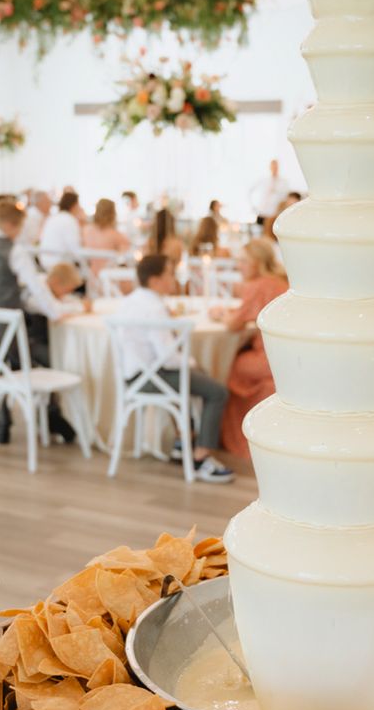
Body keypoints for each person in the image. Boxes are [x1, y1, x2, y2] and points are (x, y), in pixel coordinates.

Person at [0, 201, 77, 443]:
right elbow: (37, 288)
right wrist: (57, 313)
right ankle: (51, 415)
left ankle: (2, 414)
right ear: (10, 225)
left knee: (3, 366)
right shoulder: (13, 250)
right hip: (14, 335)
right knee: (52, 358)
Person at [120, 254, 234, 483]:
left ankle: (184, 441)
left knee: (194, 376)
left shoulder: (129, 301)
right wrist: (192, 363)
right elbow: (168, 359)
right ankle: (201, 457)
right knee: (217, 392)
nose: (174, 279)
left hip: (133, 376)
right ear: (154, 281)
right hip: (154, 377)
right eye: (169, 274)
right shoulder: (154, 308)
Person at [211, 239, 288, 458]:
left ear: (257, 262)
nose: (239, 266)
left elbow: (233, 325)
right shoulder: (279, 281)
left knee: (227, 368)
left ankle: (231, 436)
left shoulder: (257, 286)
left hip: (268, 358)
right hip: (286, 355)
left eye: (244, 261)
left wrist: (220, 314)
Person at [81, 198, 130, 275]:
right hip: (109, 278)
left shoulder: (85, 230)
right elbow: (126, 256)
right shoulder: (116, 235)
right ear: (113, 213)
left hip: (91, 278)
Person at [39, 190, 85, 270]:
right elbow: (75, 247)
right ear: (74, 206)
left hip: (44, 261)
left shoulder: (53, 218)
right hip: (60, 264)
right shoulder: (70, 220)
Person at [250, 159, 289, 227]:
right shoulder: (263, 180)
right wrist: (254, 207)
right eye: (273, 166)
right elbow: (250, 191)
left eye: (276, 166)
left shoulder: (283, 182)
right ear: (270, 167)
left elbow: (284, 198)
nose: (274, 168)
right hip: (262, 213)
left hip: (275, 215)